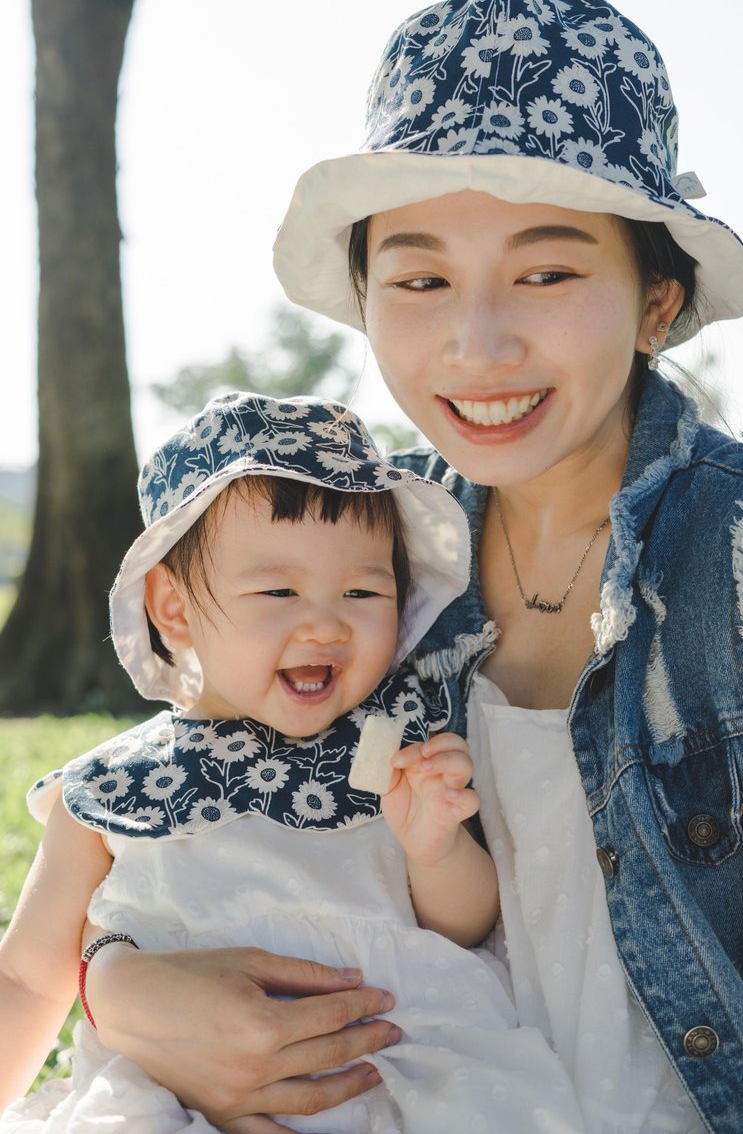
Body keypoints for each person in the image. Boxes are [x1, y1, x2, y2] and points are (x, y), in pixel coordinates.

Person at [52, 0, 743, 1134]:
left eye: (547, 272)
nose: (477, 341)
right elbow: (223, 828)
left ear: (655, 300)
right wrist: (122, 985)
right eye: (419, 278)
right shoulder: (383, 555)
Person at [0, 391, 577, 1133]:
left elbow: (468, 928)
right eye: (278, 590)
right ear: (173, 610)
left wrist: (433, 848)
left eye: (363, 590)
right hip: (181, 1101)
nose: (326, 622)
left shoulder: (392, 754)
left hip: (402, 1080)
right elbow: (24, 975)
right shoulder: (115, 791)